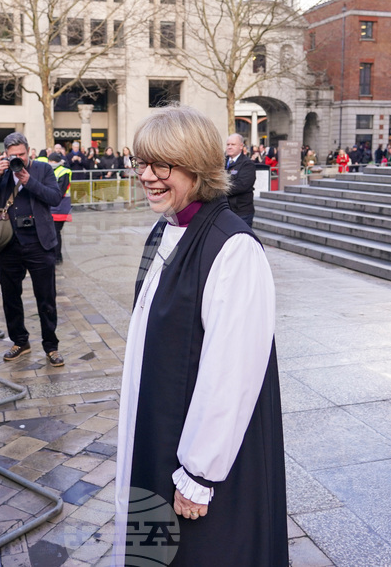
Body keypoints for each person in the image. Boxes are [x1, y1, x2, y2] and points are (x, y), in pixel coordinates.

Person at [113, 106, 287, 566]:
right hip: (160, 427)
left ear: (197, 166)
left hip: (202, 460)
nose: (147, 176)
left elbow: (232, 372)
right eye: (141, 163)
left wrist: (198, 473)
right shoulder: (167, 229)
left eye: (161, 165)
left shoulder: (234, 248)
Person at [0, 132, 65, 367]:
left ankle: (51, 346)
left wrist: (28, 181)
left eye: (22, 155)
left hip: (39, 243)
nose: (18, 159)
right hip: (8, 244)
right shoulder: (1, 171)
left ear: (29, 151)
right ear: (5, 155)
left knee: (46, 298)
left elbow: (55, 197)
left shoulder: (42, 170)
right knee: (10, 297)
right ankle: (20, 341)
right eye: (13, 155)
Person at [224, 133, 256, 227]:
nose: (229, 147)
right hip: (225, 211)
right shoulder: (222, 162)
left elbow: (241, 185)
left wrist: (219, 188)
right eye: (228, 144)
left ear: (241, 146)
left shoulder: (247, 164)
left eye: (233, 144)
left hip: (242, 212)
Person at [47, 151, 72, 264]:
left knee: (56, 232)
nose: (49, 163)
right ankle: (55, 254)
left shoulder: (64, 171)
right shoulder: (52, 171)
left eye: (51, 161)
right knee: (53, 231)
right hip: (53, 206)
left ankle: (57, 256)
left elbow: (61, 190)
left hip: (60, 206)